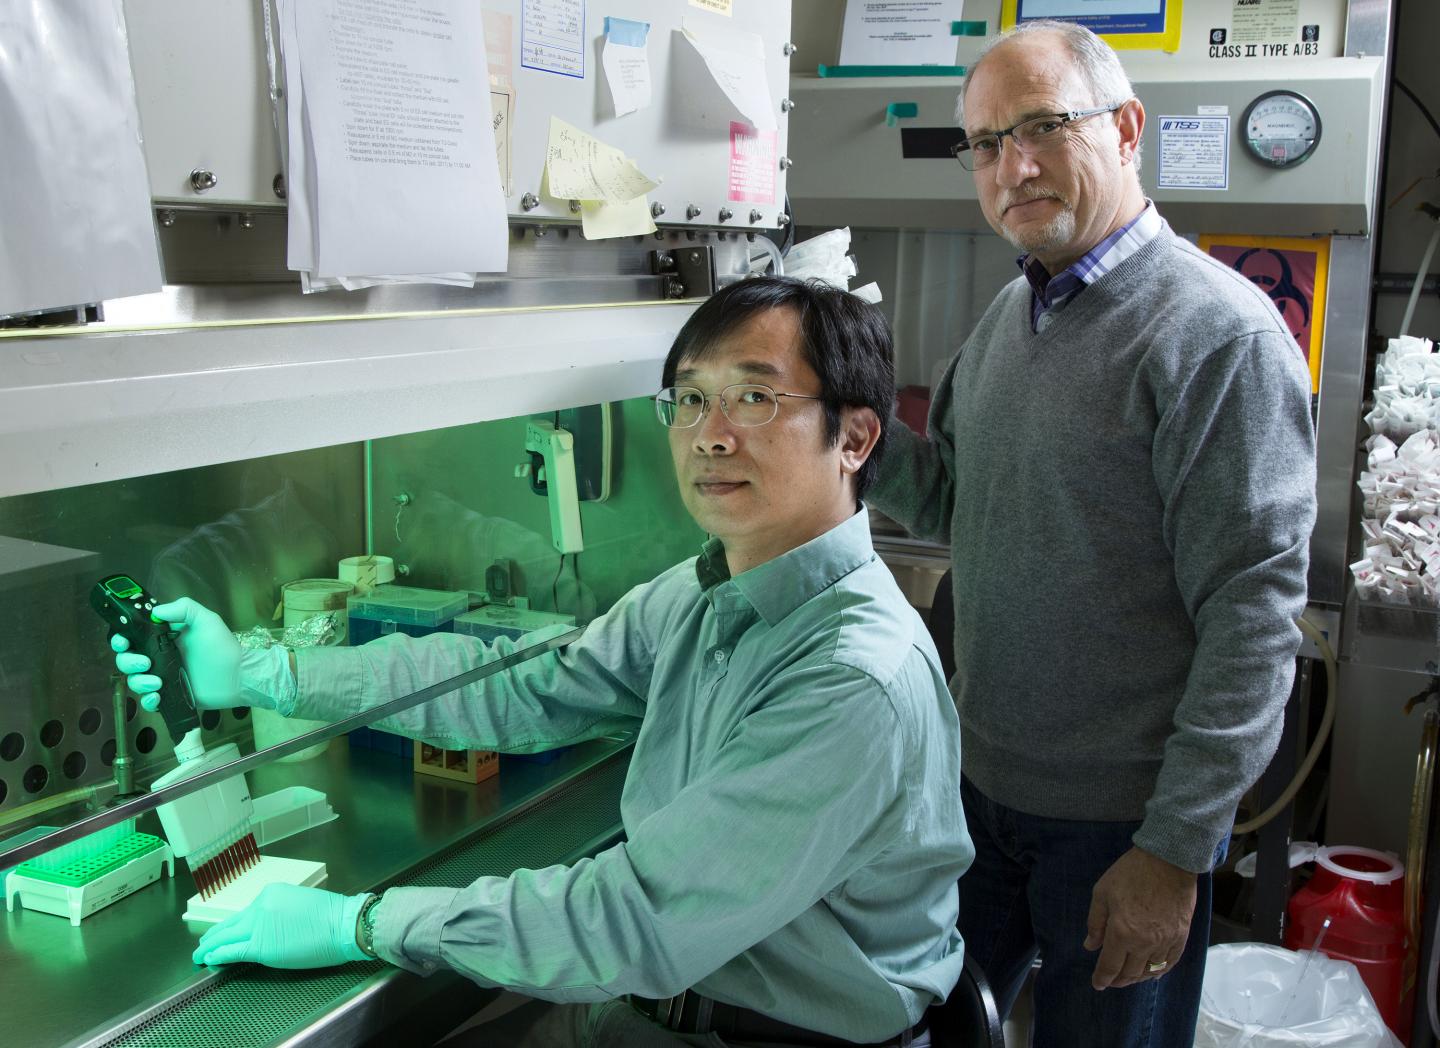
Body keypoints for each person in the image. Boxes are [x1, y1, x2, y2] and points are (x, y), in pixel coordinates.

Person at [113, 276, 973, 1048]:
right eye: (688, 398)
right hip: (645, 1012)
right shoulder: (706, 590)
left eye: (753, 397)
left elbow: (631, 922)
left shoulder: (853, 678)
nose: (709, 436)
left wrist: (361, 922)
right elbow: (527, 686)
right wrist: (265, 674)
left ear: (856, 438)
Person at [867, 19, 1317, 1048]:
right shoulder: (1011, 319)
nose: (1010, 167)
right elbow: (955, 504)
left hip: (1122, 828)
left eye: (1040, 128)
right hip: (981, 802)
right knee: (939, 1032)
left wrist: (1173, 851)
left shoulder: (1215, 336)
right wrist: (862, 436)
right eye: (984, 144)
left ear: (1125, 128)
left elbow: (1253, 618)